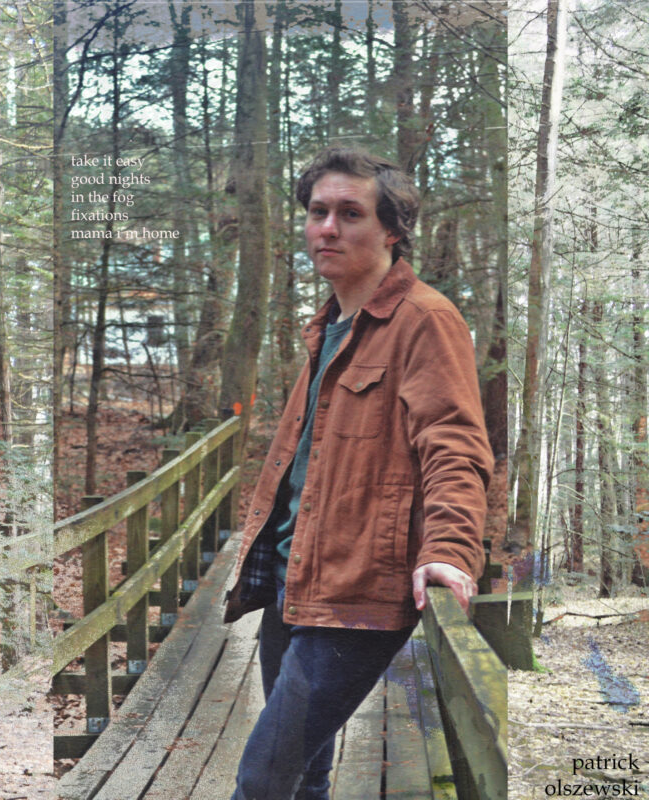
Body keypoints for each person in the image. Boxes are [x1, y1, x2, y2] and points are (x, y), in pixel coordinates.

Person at [223, 146, 494, 800]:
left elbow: (454, 443)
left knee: (262, 776)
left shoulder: (424, 319)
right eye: (318, 212)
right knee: (302, 774)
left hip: (357, 595)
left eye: (350, 213)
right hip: (296, 579)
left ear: (392, 230)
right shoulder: (329, 325)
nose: (327, 228)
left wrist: (451, 551)